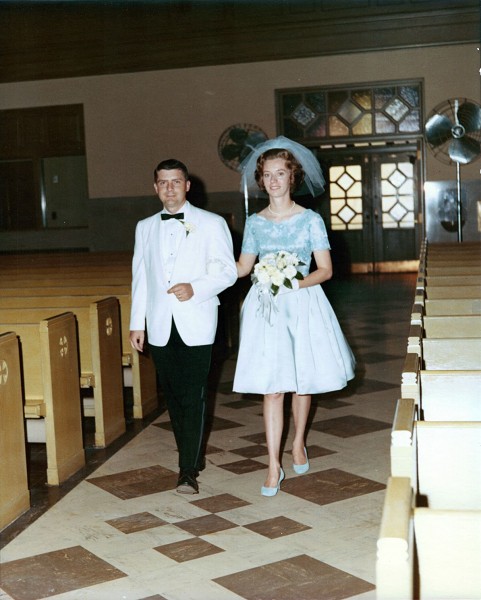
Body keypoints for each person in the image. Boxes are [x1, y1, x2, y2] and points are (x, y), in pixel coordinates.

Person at [233, 136, 355, 497]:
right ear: (261, 180)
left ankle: (298, 440)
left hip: (302, 302)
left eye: (280, 173)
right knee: (272, 388)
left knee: (302, 379)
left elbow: (326, 270)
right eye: (267, 175)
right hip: (266, 309)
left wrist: (293, 283)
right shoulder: (254, 223)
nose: (274, 181)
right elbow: (243, 268)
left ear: (292, 177)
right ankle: (273, 465)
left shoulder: (310, 220)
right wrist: (205, 269)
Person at [130, 158, 237, 494]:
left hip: (197, 319)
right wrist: (137, 323)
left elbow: (227, 272)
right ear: (155, 188)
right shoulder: (145, 227)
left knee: (193, 394)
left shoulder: (212, 223)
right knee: (174, 398)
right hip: (159, 324)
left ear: (187, 185)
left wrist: (196, 288)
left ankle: (187, 470)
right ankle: (191, 454)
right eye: (163, 183)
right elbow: (140, 278)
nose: (170, 188)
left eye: (176, 182)